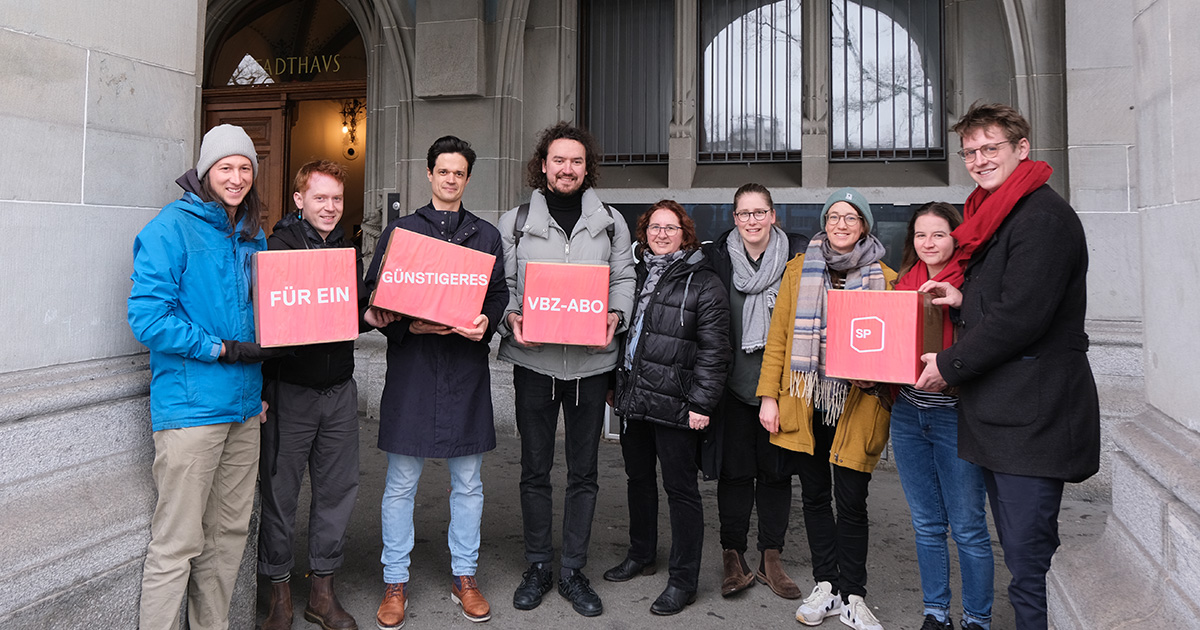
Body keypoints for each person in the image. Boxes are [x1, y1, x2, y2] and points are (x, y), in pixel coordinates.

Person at [914, 102, 1101, 630]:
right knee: (1023, 552)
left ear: (1022, 149)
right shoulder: (996, 212)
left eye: (990, 147)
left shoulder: (1042, 216)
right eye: (970, 151)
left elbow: (1021, 317)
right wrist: (961, 296)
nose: (978, 159)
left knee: (1029, 564)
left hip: (1033, 420)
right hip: (1006, 415)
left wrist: (949, 364)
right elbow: (1005, 297)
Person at [129, 124, 276, 630]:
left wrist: (256, 389)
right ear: (205, 171)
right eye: (225, 167)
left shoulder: (254, 233)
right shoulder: (170, 228)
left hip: (243, 409)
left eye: (244, 168)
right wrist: (216, 347)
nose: (235, 177)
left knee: (229, 536)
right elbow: (148, 317)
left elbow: (262, 316)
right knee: (177, 544)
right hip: (191, 411)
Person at [364, 136, 508, 629]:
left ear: (468, 179)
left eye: (459, 173)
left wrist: (486, 323)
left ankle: (464, 577)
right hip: (415, 369)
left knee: (468, 482)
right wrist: (407, 325)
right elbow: (374, 295)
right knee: (401, 482)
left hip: (464, 370)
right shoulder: (402, 232)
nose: (450, 180)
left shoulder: (485, 235)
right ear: (429, 175)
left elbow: (498, 294)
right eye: (443, 172)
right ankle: (395, 579)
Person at [497, 122, 636, 618]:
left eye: (576, 161)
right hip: (534, 362)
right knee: (534, 470)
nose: (567, 169)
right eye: (559, 160)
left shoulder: (612, 223)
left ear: (586, 167)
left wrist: (616, 317)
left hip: (590, 365)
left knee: (584, 473)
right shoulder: (514, 221)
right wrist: (511, 320)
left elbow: (624, 277)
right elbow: (505, 284)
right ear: (543, 164)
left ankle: (573, 570)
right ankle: (538, 564)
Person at [757, 187, 895, 630]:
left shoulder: (886, 278)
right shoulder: (799, 271)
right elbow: (779, 339)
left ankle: (854, 594)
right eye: (834, 216)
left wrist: (877, 374)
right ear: (824, 221)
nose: (841, 224)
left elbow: (892, 350)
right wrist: (769, 397)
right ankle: (826, 585)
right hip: (806, 400)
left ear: (864, 226)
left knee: (852, 501)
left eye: (851, 217)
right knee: (815, 498)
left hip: (857, 402)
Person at [256, 160, 367, 630]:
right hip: (290, 392)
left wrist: (375, 314)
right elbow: (261, 322)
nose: (330, 207)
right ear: (300, 200)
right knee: (280, 493)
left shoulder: (348, 249)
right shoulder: (276, 248)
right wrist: (259, 391)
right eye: (320, 198)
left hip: (339, 390)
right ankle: (278, 593)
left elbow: (354, 314)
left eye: (337, 199)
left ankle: (322, 592)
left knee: (337, 491)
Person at [605, 200, 731, 615]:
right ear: (644, 233)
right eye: (654, 227)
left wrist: (702, 402)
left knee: (681, 490)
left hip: (677, 402)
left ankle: (683, 579)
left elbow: (715, 350)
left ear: (685, 233)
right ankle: (641, 554)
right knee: (638, 479)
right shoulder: (634, 274)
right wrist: (613, 384)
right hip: (634, 396)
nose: (661, 234)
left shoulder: (704, 281)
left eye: (670, 227)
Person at [702, 183, 808, 600]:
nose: (752, 221)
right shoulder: (717, 259)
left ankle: (771, 555)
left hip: (781, 387)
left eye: (759, 212)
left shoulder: (797, 260)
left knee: (777, 473)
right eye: (744, 214)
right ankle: (733, 553)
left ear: (773, 215)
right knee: (734, 473)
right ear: (734, 218)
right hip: (731, 386)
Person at [891, 202, 992, 630]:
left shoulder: (973, 282)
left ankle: (977, 619)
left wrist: (961, 305)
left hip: (956, 416)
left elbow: (991, 339)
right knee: (926, 524)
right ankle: (936, 614)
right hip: (908, 415)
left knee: (968, 527)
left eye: (937, 234)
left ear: (956, 237)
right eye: (920, 235)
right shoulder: (902, 285)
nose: (928, 243)